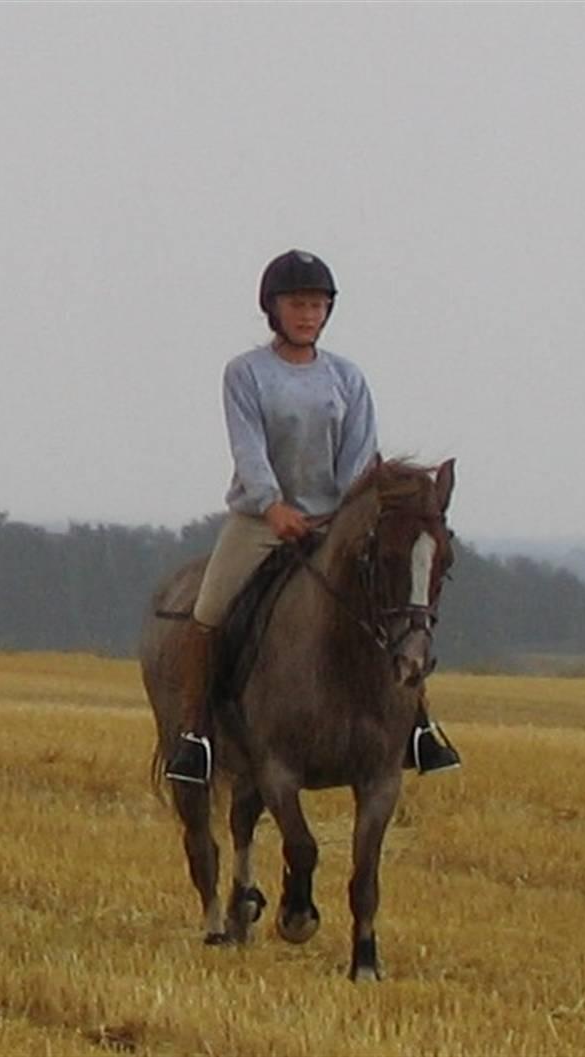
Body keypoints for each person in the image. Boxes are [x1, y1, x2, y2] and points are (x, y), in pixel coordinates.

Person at [165, 249, 461, 785]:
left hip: (335, 521)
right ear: (273, 309)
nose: (308, 315)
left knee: (395, 608)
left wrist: (346, 515)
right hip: (260, 519)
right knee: (208, 614)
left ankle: (418, 726)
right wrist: (273, 505)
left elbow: (358, 453)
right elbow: (248, 448)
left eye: (318, 305)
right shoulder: (246, 374)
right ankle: (197, 735)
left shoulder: (347, 378)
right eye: (297, 304)